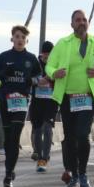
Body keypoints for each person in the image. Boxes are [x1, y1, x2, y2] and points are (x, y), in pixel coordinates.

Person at [46, 10, 94, 187]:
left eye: (84, 20)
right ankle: (74, 175)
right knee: (69, 138)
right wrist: (54, 73)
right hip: (68, 98)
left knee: (82, 135)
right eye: (78, 20)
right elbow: (49, 65)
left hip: (88, 97)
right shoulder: (63, 44)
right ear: (72, 24)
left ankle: (83, 174)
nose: (81, 22)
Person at [0, 25, 41, 187]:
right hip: (5, 101)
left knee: (14, 136)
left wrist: (30, 81)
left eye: (23, 37)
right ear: (12, 38)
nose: (20, 40)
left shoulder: (31, 58)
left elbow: (39, 76)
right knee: (8, 139)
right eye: (17, 36)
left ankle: (7, 175)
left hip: (22, 101)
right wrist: (4, 73)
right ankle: (9, 170)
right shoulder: (4, 56)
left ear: (27, 40)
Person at [29, 41, 57, 172]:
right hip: (37, 101)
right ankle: (39, 154)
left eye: (50, 55)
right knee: (38, 129)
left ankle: (44, 158)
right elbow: (28, 78)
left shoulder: (56, 63)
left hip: (51, 101)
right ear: (42, 54)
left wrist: (51, 79)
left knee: (47, 128)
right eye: (45, 55)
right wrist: (38, 81)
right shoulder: (35, 63)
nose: (47, 58)